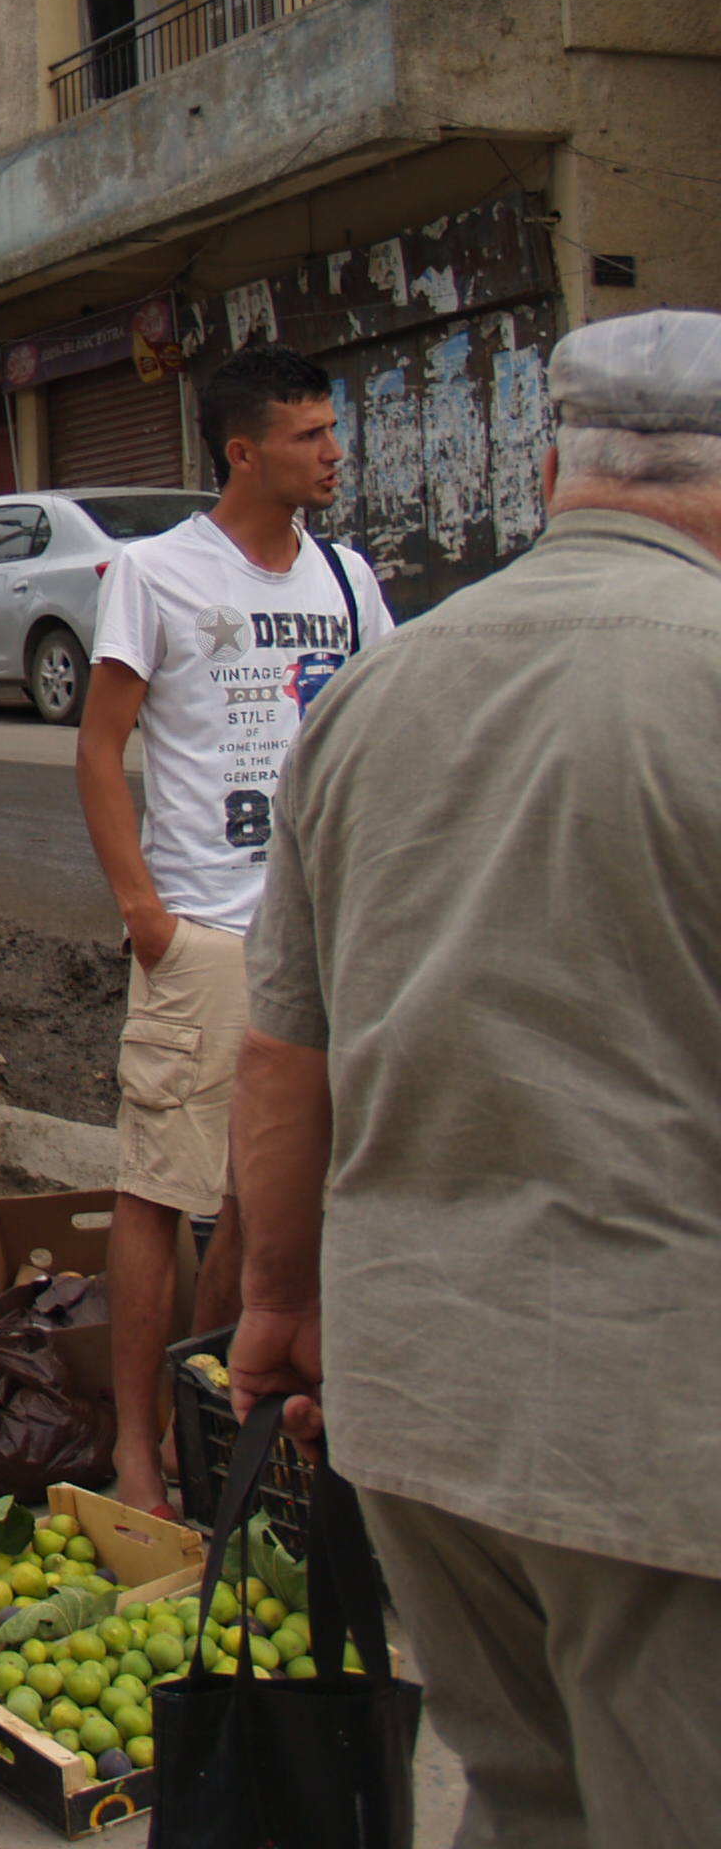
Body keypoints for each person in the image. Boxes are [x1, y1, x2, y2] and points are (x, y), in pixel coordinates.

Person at [232, 310, 721, 1846]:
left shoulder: (373, 696)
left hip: (419, 1397)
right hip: (660, 1420)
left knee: (519, 1795)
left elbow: (284, 1054)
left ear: (548, 461)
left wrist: (279, 1306)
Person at [74, 344, 392, 1513]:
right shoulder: (158, 575)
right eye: (311, 435)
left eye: (332, 430)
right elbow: (100, 749)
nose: (333, 453)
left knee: (271, 1203)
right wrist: (147, 916)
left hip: (323, 940)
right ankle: (137, 1449)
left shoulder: (350, 583)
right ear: (243, 449)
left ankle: (219, 1423)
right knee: (165, 1188)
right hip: (204, 933)